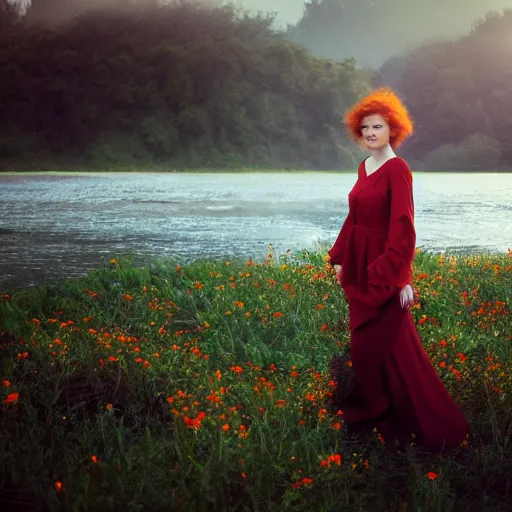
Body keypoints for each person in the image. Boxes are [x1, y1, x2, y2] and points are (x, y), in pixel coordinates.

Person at [328, 87, 468, 452]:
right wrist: (341, 258)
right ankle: (387, 421)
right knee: (386, 351)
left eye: (377, 127)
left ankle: (417, 425)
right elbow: (354, 216)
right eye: (365, 128)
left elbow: (403, 226)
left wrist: (400, 277)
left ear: (394, 130)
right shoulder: (365, 166)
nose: (370, 133)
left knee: (372, 349)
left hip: (383, 269)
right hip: (359, 265)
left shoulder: (398, 169)